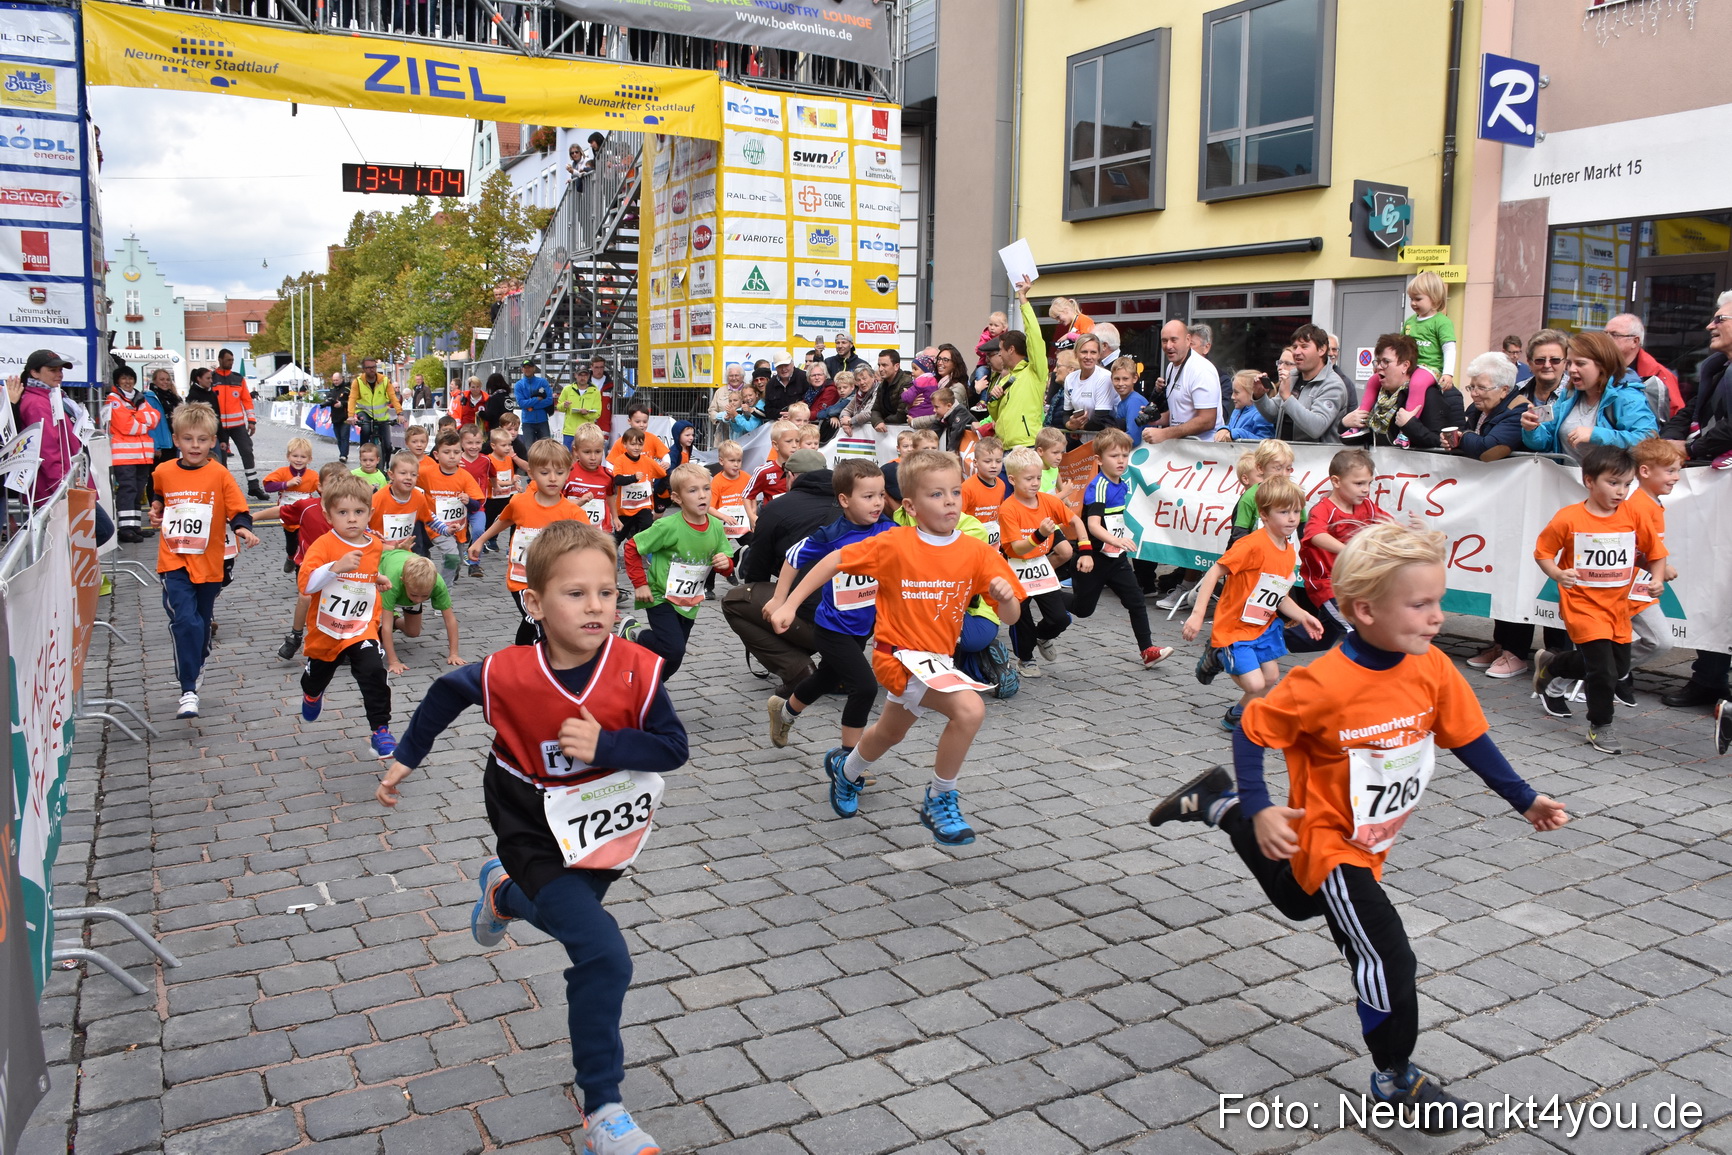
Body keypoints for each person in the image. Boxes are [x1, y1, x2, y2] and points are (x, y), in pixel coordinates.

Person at [1149, 522, 1570, 1134]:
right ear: (1366, 610)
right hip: (1334, 843)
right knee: (1385, 954)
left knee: (1297, 903)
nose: (1436, 617)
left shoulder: (1432, 668)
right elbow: (1252, 728)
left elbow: (1470, 739)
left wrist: (1524, 798)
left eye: (1439, 601)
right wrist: (1265, 804)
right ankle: (1395, 1077)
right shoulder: (1321, 683)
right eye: (1420, 604)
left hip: (1371, 843)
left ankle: (1217, 803)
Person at [376, 521, 684, 1155]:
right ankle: (603, 1110)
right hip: (529, 826)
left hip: (605, 827)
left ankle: (503, 897)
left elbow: (674, 748)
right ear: (535, 604)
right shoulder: (507, 673)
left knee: (575, 922)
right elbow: (442, 693)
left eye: (606, 592)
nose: (597, 605)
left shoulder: (638, 669)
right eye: (576, 594)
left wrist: (610, 744)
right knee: (604, 956)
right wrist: (408, 756)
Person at [768, 450, 1025, 845]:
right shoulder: (894, 543)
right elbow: (833, 561)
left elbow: (1010, 617)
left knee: (889, 733)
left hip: (938, 661)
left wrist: (1005, 597)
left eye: (955, 491)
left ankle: (847, 771)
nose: (950, 501)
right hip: (897, 657)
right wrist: (788, 602)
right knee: (969, 710)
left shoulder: (977, 552)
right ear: (910, 506)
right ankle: (940, 797)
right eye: (936, 494)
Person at [1532, 444, 1666, 753]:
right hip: (1582, 606)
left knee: (1616, 669)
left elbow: (1656, 554)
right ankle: (1601, 726)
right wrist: (1557, 574)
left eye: (1627, 484)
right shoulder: (1569, 518)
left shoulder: (1632, 516)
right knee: (1604, 672)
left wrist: (1657, 580)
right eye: (1613, 482)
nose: (1621, 491)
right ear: (1589, 481)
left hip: (1619, 607)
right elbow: (1543, 552)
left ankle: (1553, 665)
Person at [763, 459, 895, 753]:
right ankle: (849, 761)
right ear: (844, 500)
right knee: (864, 687)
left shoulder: (889, 529)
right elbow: (793, 557)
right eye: (868, 496)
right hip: (832, 627)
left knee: (826, 677)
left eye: (881, 495)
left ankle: (783, 712)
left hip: (863, 625)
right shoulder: (832, 534)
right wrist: (780, 599)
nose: (877, 503)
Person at [1186, 477, 1324, 731]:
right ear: (1264, 514)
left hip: (1261, 626)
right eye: (1284, 512)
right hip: (1234, 628)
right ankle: (1217, 654)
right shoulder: (1250, 545)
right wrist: (1197, 614)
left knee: (1271, 677)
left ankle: (1235, 716)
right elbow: (1214, 572)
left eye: (1296, 511)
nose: (1292, 518)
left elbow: (1278, 595)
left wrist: (1304, 615)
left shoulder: (1288, 550)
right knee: (1255, 684)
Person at [150, 402, 260, 719]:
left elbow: (238, 510)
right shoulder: (164, 471)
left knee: (200, 624)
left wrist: (243, 530)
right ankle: (188, 690)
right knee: (185, 621)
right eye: (188, 439)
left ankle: (199, 654)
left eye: (201, 439)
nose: (194, 445)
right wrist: (156, 509)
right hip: (173, 562)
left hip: (209, 565)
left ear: (212, 441)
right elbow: (158, 493)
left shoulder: (220, 475)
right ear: (176, 439)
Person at [721, 449, 837, 697]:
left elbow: (757, 571)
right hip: (857, 617)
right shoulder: (851, 501)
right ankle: (836, 666)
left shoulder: (777, 508)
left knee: (735, 600)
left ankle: (797, 669)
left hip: (813, 617)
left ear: (791, 476)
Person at [297, 474, 397, 758]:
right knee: (316, 678)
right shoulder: (324, 545)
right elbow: (306, 585)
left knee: (373, 671)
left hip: (361, 626)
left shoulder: (374, 545)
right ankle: (312, 694)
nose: (351, 519)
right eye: (343, 512)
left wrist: (376, 578)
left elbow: (363, 571)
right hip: (326, 630)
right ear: (329, 516)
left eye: (358, 512)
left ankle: (381, 731)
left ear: (370, 513)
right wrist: (334, 568)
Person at [617, 463, 735, 679]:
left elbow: (727, 562)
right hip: (660, 596)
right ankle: (633, 632)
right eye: (693, 490)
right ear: (677, 498)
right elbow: (632, 547)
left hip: (689, 602)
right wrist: (640, 584)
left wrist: (726, 563)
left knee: (673, 658)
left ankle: (649, 690)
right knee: (673, 649)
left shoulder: (716, 527)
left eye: (706, 489)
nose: (702, 495)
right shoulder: (668, 526)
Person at [1068, 429, 1172, 667]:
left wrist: (1122, 539)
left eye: (1125, 455)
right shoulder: (1099, 486)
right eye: (1114, 456)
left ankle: (1147, 650)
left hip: (1115, 558)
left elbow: (1118, 518)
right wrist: (1115, 540)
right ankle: (1048, 598)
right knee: (1083, 609)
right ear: (1099, 460)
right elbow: (1093, 525)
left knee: (1136, 600)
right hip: (1092, 559)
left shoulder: (1123, 482)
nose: (1121, 460)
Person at [470, 440, 587, 646]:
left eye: (559, 473)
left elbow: (588, 547)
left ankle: (520, 654)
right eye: (544, 473)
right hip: (521, 579)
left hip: (552, 582)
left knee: (532, 620)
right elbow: (505, 519)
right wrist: (480, 540)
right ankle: (541, 663)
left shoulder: (573, 512)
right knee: (539, 620)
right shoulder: (520, 502)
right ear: (531, 473)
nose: (553, 479)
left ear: (568, 473)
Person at [1291, 449, 1391, 654]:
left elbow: (1389, 526)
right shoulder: (1323, 510)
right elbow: (1314, 535)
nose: (1366, 489)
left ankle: (1266, 642)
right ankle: (1363, 677)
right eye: (1359, 483)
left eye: (1369, 483)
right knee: (1357, 631)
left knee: (1319, 639)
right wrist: (1349, 550)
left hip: (1354, 582)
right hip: (1327, 584)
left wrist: (1416, 534)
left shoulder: (1368, 506)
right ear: (1336, 482)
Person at [996, 447, 1083, 677]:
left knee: (1060, 618)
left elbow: (1075, 520)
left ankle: (1042, 636)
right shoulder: (1008, 509)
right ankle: (1025, 659)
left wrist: (1084, 547)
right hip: (1015, 567)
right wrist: (1040, 536)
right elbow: (1017, 548)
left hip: (1040, 565)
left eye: (1037, 477)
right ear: (1012, 479)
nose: (1035, 483)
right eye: (1029, 479)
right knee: (1020, 618)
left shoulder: (1047, 500)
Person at [1520, 331, 1658, 459]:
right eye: (1569, 363)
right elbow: (1545, 440)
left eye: (1580, 363)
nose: (1571, 369)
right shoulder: (1569, 394)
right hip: (1567, 480)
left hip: (1610, 483)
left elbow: (1648, 441)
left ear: (1603, 365)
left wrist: (1596, 434)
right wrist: (1532, 428)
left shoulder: (1626, 396)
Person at [1622, 438, 1682, 703]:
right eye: (1670, 471)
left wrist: (1657, 567)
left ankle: (1606, 674)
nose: (1676, 478)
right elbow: (1637, 549)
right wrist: (1660, 567)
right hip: (1627, 586)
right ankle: (1584, 671)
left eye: (1678, 471)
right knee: (1660, 641)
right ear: (1645, 471)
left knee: (1656, 641)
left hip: (1638, 585)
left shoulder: (1650, 503)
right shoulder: (1639, 506)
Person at [1339, 334, 1459, 449]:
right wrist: (1344, 424)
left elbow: (1440, 443)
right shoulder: (1380, 396)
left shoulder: (1429, 395)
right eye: (1378, 361)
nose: (1379, 367)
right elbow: (1365, 439)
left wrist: (1410, 425)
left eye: (1386, 362)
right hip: (1383, 468)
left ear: (1405, 366)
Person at [1254, 324, 1348, 443]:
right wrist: (1260, 396)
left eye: (1304, 346)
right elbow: (1272, 414)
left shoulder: (1333, 385)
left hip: (1316, 460)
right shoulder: (1293, 376)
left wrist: (1288, 398)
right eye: (1295, 347)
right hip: (1285, 457)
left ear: (1322, 350)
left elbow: (1316, 428)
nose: (1297, 352)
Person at [984, 277, 1047, 448]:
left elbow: (1035, 337)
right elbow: (997, 417)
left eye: (1001, 350)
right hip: (1004, 448)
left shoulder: (1035, 372)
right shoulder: (1005, 379)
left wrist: (1023, 300)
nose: (999, 354)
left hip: (1027, 446)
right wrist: (995, 400)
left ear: (1011, 349)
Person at [378, 550, 462, 675]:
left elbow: (450, 620)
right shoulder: (392, 583)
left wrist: (454, 654)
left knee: (413, 632)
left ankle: (396, 620)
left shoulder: (438, 583)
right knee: (381, 620)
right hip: (384, 570)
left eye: (424, 596)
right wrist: (393, 661)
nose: (418, 600)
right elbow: (386, 626)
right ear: (403, 581)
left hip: (406, 584)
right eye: (414, 595)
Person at [419, 430, 487, 587]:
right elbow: (407, 481)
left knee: (456, 562)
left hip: (458, 529)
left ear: (461, 454)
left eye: (456, 452)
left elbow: (476, 505)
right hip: (434, 526)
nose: (452, 456)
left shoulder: (464, 476)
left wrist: (468, 501)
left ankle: (450, 575)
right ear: (436, 455)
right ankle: (442, 594)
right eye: (446, 452)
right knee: (451, 556)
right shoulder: (426, 473)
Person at [106, 364, 162, 543]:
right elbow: (125, 425)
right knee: (127, 490)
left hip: (142, 455)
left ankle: (135, 525)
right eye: (123, 378)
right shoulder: (113, 399)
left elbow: (155, 418)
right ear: (117, 381)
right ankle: (125, 528)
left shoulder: (139, 398)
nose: (127, 382)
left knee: (138, 491)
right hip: (124, 456)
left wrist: (136, 418)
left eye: (130, 378)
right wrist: (142, 421)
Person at [1144, 319, 1222, 443]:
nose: (1168, 346)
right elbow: (1182, 410)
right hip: (1181, 449)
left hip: (1204, 451)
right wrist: (1158, 419)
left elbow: (1207, 420)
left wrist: (1165, 433)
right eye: (1164, 341)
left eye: (1174, 340)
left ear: (1187, 340)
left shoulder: (1201, 369)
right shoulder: (1171, 367)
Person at [207, 348, 265, 499]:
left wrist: (251, 421)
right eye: (228, 360)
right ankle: (223, 489)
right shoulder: (211, 378)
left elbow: (246, 400)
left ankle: (253, 486)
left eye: (232, 360)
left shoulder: (238, 379)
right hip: (218, 427)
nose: (231, 363)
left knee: (247, 451)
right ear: (220, 360)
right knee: (221, 459)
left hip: (237, 425)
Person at [1449, 352, 1526, 461]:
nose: (1473, 394)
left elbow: (1488, 451)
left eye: (1481, 388)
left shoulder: (1519, 411)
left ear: (1504, 390)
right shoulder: (1477, 408)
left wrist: (1462, 437)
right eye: (1472, 387)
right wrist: (1454, 440)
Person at [1605, 313, 1682, 421]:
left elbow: (1676, 416)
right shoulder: (1596, 368)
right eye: (1605, 334)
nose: (1606, 339)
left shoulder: (1659, 375)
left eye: (1614, 335)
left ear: (1635, 341)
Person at [262, 436, 321, 565]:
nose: (298, 460)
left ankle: (301, 567)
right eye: (295, 456)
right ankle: (290, 556)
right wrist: (286, 484)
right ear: (288, 456)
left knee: (305, 542)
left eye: (303, 457)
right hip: (287, 515)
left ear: (310, 459)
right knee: (291, 544)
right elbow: (268, 486)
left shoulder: (313, 476)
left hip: (306, 516)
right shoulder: (282, 472)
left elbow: (323, 491)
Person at [608, 429, 665, 545]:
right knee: (618, 536)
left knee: (647, 525)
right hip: (626, 508)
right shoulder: (620, 460)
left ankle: (633, 546)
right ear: (624, 444)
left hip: (643, 505)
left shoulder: (647, 461)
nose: (636, 447)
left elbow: (662, 473)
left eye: (640, 444)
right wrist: (633, 478)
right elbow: (617, 480)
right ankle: (609, 557)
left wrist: (654, 478)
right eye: (633, 444)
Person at [1403, 271, 1457, 391]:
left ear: (1434, 298)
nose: (1413, 303)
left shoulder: (1442, 322)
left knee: (1417, 383)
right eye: (1411, 299)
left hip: (1431, 369)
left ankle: (1412, 410)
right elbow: (1400, 346)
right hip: (1410, 366)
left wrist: (1448, 373)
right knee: (1377, 380)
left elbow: (1449, 349)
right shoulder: (1409, 322)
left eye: (1418, 299)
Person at [562, 424, 615, 533]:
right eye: (587, 452)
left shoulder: (608, 475)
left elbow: (610, 496)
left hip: (599, 531)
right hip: (573, 531)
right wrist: (579, 501)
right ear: (576, 451)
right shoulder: (567, 473)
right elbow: (558, 502)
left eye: (597, 452)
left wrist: (615, 517)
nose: (593, 457)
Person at [350, 358, 402, 458]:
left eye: (374, 367)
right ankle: (363, 455)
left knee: (387, 445)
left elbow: (393, 397)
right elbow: (352, 399)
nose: (372, 369)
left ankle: (386, 466)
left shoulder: (384, 380)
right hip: (364, 412)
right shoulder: (358, 382)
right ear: (364, 369)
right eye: (369, 367)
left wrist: (399, 413)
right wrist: (350, 415)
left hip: (381, 416)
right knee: (365, 429)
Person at [1062, 334, 1115, 431]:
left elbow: (1100, 419)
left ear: (1099, 355)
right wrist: (1070, 425)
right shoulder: (1070, 379)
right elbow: (1066, 414)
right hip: (1083, 439)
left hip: (1104, 440)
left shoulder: (1105, 377)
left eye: (1093, 352)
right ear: (1076, 354)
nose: (1088, 356)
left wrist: (1078, 427)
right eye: (1084, 352)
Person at [746, 421, 802, 507]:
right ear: (775, 445)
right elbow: (747, 496)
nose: (794, 445)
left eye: (797, 441)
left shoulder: (804, 469)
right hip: (773, 518)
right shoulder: (763, 471)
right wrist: (752, 517)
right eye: (789, 441)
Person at [1515, 330, 1569, 418]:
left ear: (1565, 363)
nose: (1547, 365)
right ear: (1530, 363)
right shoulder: (1517, 391)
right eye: (1540, 360)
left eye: (1555, 360)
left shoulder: (1576, 394)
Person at [1215, 370, 1276, 442]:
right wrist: (1225, 429)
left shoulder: (1262, 413)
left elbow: (1265, 441)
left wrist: (1238, 433)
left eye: (1236, 392)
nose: (1232, 397)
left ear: (1252, 392)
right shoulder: (1237, 411)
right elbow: (1231, 428)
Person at [142, 366, 181, 470]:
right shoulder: (150, 398)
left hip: (172, 443)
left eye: (168, 379)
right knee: (156, 476)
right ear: (155, 381)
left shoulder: (173, 398)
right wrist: (155, 446)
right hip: (160, 445)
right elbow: (149, 424)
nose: (165, 382)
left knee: (171, 475)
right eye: (162, 379)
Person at [868, 349, 912, 432]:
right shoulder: (882, 385)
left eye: (884, 365)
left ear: (896, 366)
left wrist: (883, 420)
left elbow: (902, 415)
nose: (880, 369)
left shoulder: (907, 383)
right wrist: (878, 422)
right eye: (879, 365)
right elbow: (875, 410)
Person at [515, 360, 555, 444]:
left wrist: (532, 406)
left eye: (529, 367)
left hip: (542, 420)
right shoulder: (519, 385)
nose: (527, 369)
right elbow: (521, 403)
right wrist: (537, 399)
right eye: (525, 367)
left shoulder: (542, 381)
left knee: (547, 447)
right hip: (527, 422)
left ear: (534, 368)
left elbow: (549, 400)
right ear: (522, 369)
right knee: (529, 449)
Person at [763, 353, 810, 421]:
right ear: (775, 367)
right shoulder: (770, 384)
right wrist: (780, 414)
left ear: (792, 364)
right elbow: (768, 409)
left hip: (802, 424)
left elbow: (810, 403)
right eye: (780, 366)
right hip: (780, 423)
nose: (783, 369)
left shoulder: (804, 378)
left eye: (786, 365)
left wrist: (793, 414)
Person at [932, 388, 974, 453]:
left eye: (936, 407)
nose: (934, 410)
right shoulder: (944, 414)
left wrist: (951, 451)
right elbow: (935, 429)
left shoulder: (961, 412)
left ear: (949, 405)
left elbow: (956, 431)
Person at [325, 371, 352, 463]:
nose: (335, 382)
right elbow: (328, 398)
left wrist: (342, 404)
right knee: (339, 438)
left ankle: (344, 455)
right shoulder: (332, 389)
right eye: (334, 380)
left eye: (337, 380)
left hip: (345, 417)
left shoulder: (347, 388)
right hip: (335, 417)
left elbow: (351, 402)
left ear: (341, 379)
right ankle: (342, 453)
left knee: (344, 436)